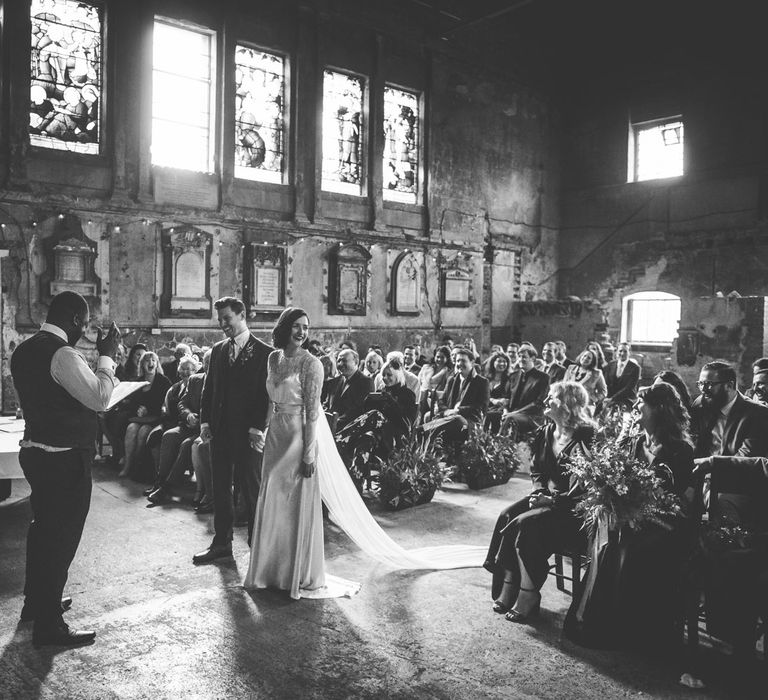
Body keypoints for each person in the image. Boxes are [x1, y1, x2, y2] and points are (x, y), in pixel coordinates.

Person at [10, 290, 120, 646]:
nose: (84, 331)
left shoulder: (24, 349)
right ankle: (49, 624)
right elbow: (100, 398)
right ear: (74, 320)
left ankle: (36, 602)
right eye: (84, 325)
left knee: (42, 529)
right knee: (61, 538)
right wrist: (106, 356)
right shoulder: (62, 354)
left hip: (36, 451)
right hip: (64, 458)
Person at [565, 382, 694, 650]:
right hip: (628, 516)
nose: (635, 407)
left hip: (664, 521)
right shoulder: (634, 441)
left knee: (624, 548)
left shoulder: (681, 450)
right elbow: (615, 475)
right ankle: (593, 620)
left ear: (658, 410)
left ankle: (625, 630)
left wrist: (632, 506)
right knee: (607, 536)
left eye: (640, 404)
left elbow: (671, 495)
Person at [484, 381, 596, 622]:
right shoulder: (547, 431)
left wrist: (552, 499)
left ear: (568, 404)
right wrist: (538, 492)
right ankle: (509, 583)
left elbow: (588, 487)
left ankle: (528, 593)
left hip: (571, 508)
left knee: (525, 525)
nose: (546, 401)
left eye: (552, 397)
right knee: (507, 514)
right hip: (545, 497)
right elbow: (537, 470)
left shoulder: (587, 434)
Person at [244, 308, 326, 597]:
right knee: (271, 499)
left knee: (291, 503)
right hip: (276, 434)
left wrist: (308, 454)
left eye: (307, 327)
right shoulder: (273, 358)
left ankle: (294, 573)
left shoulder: (312, 364)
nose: (302, 332)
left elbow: (313, 413)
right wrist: (262, 428)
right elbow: (270, 399)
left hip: (297, 435)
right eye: (297, 326)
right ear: (285, 327)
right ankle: (270, 570)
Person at [193, 297, 271, 565]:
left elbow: (265, 396)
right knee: (221, 489)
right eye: (220, 320)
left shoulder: (265, 352)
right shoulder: (217, 350)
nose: (222, 324)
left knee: (252, 490)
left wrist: (257, 428)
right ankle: (221, 543)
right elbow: (209, 390)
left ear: (242, 315)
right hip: (220, 433)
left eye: (227, 318)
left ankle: (257, 545)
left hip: (248, 435)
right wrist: (205, 423)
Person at [336, 357, 418, 492]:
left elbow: (406, 422)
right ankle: (355, 486)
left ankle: (340, 439)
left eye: (389, 375)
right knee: (365, 439)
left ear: (397, 375)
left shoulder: (407, 394)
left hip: (395, 438)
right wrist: (368, 401)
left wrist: (391, 402)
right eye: (383, 375)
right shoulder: (380, 392)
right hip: (378, 437)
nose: (385, 378)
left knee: (375, 415)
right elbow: (363, 413)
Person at [691, 360, 768, 460]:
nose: (703, 389)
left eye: (708, 384)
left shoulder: (758, 414)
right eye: (700, 383)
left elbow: (746, 459)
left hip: (734, 474)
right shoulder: (700, 404)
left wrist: (712, 466)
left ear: (729, 385)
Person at [422, 346, 489, 449]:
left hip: (469, 420)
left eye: (463, 361)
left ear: (472, 362)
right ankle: (433, 448)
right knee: (430, 416)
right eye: (457, 361)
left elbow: (480, 408)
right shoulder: (452, 380)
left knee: (457, 419)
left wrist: (457, 411)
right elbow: (441, 401)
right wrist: (446, 412)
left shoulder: (481, 382)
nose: (459, 364)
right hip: (449, 416)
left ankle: (424, 431)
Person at [119, 352, 172, 480]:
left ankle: (137, 467)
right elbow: (132, 403)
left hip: (156, 419)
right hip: (140, 418)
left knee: (143, 432)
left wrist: (149, 410)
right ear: (142, 365)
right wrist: (138, 409)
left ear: (157, 363)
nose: (150, 363)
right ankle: (128, 465)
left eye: (153, 360)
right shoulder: (138, 382)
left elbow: (166, 404)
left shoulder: (163, 381)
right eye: (147, 360)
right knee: (131, 428)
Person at [500, 343, 550, 439]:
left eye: (524, 357)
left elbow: (538, 403)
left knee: (510, 419)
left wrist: (514, 413)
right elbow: (506, 398)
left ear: (533, 358)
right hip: (511, 413)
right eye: (519, 356)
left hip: (532, 416)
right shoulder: (513, 376)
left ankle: (502, 448)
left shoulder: (542, 378)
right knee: (491, 416)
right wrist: (505, 411)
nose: (520, 359)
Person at [323, 348, 374, 432]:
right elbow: (327, 404)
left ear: (356, 362)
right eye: (338, 361)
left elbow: (358, 410)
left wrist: (334, 423)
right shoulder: (334, 382)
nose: (340, 364)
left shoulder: (366, 382)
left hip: (349, 431)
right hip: (329, 428)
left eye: (344, 361)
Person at [564, 349, 606, 413]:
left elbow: (603, 391)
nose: (585, 358)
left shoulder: (596, 373)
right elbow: (563, 385)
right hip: (568, 405)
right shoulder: (571, 368)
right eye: (584, 356)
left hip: (586, 407)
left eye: (589, 358)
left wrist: (594, 399)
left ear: (592, 361)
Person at [603, 342, 641, 412]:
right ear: (617, 352)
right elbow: (606, 383)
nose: (622, 353)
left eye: (625, 351)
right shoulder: (611, 365)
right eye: (620, 351)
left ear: (629, 353)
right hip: (610, 398)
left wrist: (612, 399)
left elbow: (629, 388)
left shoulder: (635, 368)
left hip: (627, 399)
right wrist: (607, 398)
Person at [417, 345, 453, 417]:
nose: (439, 359)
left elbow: (446, 391)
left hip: (437, 401)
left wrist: (443, 372)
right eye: (437, 357)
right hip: (423, 397)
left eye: (442, 357)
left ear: (447, 358)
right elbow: (419, 382)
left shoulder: (448, 372)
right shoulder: (426, 368)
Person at [484, 351, 513, 433]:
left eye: (504, 362)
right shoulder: (486, 378)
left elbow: (509, 397)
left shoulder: (510, 379)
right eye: (499, 361)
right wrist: (493, 400)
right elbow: (482, 395)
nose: (502, 364)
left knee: (492, 415)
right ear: (493, 362)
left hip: (501, 409)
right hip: (486, 406)